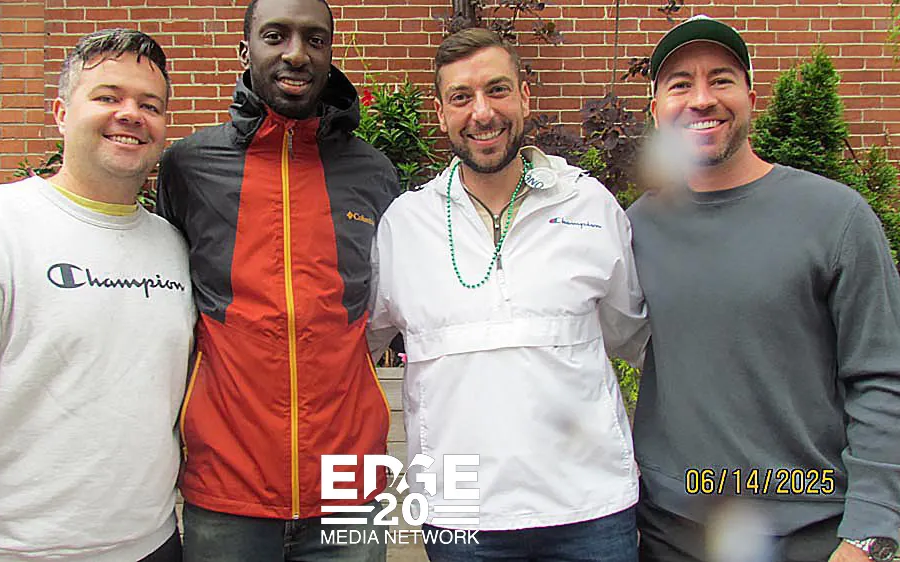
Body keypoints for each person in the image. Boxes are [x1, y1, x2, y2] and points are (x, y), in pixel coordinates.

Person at [0, 29, 194, 562]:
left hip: (151, 545)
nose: (130, 114)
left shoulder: (172, 245)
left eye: (149, 105)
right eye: (107, 97)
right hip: (9, 551)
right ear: (60, 113)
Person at [367, 28, 648, 562]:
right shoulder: (405, 224)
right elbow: (355, 349)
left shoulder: (588, 205)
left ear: (524, 96)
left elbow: (633, 338)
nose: (482, 113)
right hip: (461, 517)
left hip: (590, 510)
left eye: (497, 90)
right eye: (461, 97)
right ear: (441, 113)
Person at [628, 15, 900, 562]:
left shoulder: (835, 218)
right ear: (656, 111)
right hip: (672, 531)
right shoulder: (635, 229)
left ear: (751, 98)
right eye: (680, 85)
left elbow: (883, 377)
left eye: (721, 80)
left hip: (811, 528)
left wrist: (870, 533)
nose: (701, 99)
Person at [153, 0, 400, 559]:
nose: (296, 53)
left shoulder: (373, 172)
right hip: (228, 489)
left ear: (330, 53)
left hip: (348, 486)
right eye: (275, 36)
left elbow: (384, 308)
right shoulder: (190, 167)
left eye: (315, 39)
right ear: (245, 51)